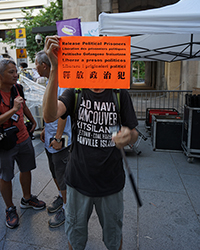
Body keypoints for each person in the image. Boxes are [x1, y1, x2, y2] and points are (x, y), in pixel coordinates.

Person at [43, 35, 139, 250]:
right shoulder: (75, 92)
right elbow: (49, 115)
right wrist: (54, 70)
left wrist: (128, 136)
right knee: (75, 238)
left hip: (111, 183)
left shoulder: (119, 94)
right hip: (78, 182)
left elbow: (134, 133)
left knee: (113, 238)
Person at [0, 58, 46, 229]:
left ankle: (27, 198)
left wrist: (32, 120)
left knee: (26, 168)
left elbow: (23, 105)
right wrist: (12, 109)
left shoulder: (17, 88)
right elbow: (14, 109)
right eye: (11, 72)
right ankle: (9, 208)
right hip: (5, 142)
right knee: (6, 176)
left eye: (15, 71)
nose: (15, 74)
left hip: (23, 137)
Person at [35, 50, 71, 228]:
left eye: (36, 64)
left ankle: (67, 207)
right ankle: (61, 195)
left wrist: (58, 137)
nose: (35, 67)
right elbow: (47, 110)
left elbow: (63, 115)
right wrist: (44, 129)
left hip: (61, 139)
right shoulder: (51, 80)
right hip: (50, 136)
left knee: (62, 174)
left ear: (44, 65)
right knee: (54, 171)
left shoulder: (63, 82)